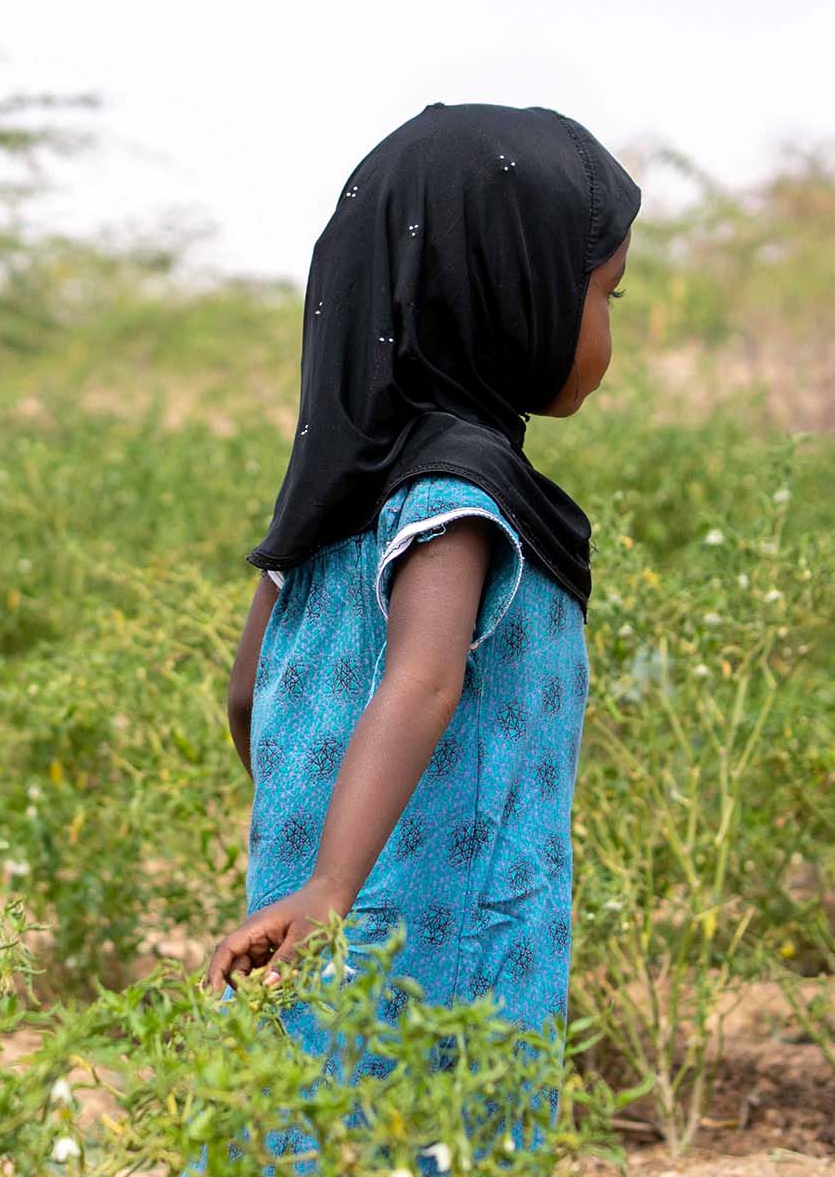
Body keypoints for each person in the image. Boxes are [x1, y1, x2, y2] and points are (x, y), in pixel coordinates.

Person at [201, 102, 639, 1172]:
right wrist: (341, 888)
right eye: (605, 293)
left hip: (314, 904)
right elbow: (425, 680)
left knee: (318, 1122)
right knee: (444, 1122)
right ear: (513, 294)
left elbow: (247, 698)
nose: (609, 330)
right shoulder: (458, 489)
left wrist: (309, 863)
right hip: (459, 914)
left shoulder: (334, 495)